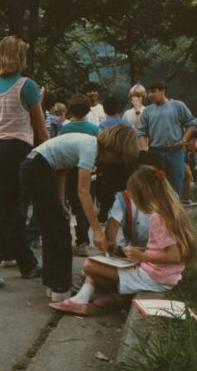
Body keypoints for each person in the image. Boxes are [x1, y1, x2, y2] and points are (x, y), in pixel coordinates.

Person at [50, 165, 197, 316]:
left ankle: (106, 298)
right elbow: (168, 249)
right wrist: (142, 252)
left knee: (89, 265)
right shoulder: (168, 210)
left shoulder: (158, 217)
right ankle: (82, 301)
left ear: (142, 195)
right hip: (160, 274)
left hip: (156, 278)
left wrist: (142, 256)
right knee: (99, 267)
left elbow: (174, 256)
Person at [20, 124, 139, 302]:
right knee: (61, 234)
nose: (112, 162)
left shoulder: (86, 144)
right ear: (115, 146)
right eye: (117, 157)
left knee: (53, 230)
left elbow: (61, 171)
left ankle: (53, 284)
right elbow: (83, 192)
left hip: (34, 165)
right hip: (37, 168)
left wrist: (61, 203)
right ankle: (60, 288)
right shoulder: (90, 147)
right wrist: (97, 230)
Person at [0, 36, 48, 290]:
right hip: (15, 151)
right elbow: (40, 129)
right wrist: (50, 151)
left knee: (9, 210)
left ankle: (28, 264)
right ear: (18, 57)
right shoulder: (27, 86)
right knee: (7, 214)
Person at [137, 80, 197, 195]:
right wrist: (145, 149)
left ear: (163, 91)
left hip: (175, 151)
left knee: (175, 184)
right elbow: (141, 132)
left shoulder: (177, 105)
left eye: (153, 92)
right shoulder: (147, 111)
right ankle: (159, 212)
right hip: (155, 152)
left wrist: (183, 141)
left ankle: (174, 211)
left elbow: (192, 124)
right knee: (156, 184)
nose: (150, 95)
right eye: (148, 92)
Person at [59, 94, 100, 256]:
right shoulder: (95, 129)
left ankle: (74, 238)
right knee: (87, 205)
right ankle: (83, 240)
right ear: (88, 110)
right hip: (90, 171)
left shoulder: (65, 128)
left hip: (71, 171)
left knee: (75, 205)